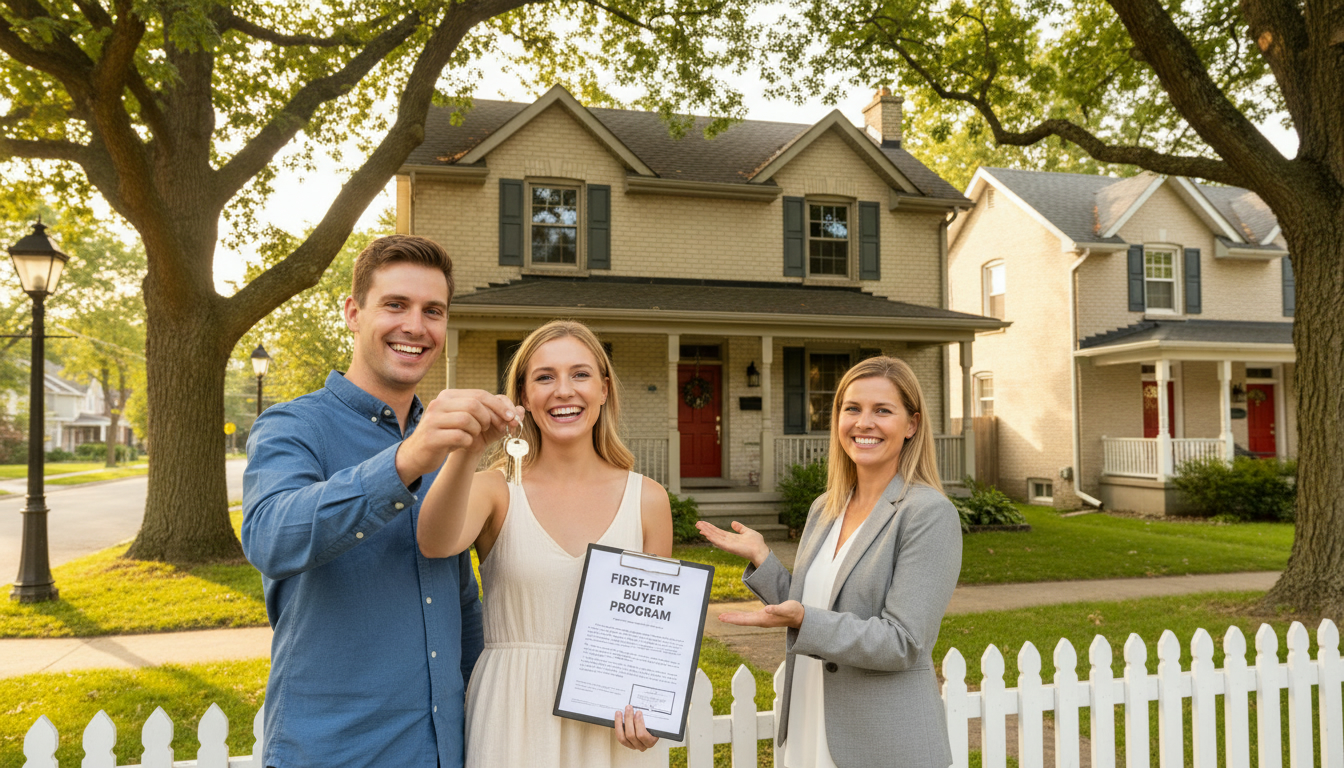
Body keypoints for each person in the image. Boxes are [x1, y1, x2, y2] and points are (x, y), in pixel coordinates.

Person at [242, 235, 517, 768]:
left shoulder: (443, 439)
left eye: (433, 311)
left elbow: (459, 595)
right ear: (353, 312)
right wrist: (405, 461)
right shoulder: (293, 425)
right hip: (333, 749)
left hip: (442, 747)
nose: (416, 326)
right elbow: (271, 537)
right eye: (396, 304)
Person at [416, 319, 673, 767]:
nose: (564, 390)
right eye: (544, 377)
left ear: (604, 389)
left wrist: (651, 717)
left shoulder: (648, 499)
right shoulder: (494, 488)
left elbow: (652, 641)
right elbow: (434, 542)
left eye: (580, 374)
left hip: (610, 724)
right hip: (513, 714)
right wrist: (468, 450)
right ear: (524, 398)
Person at [696, 356, 962, 768]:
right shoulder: (826, 507)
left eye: (882, 410)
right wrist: (762, 558)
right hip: (808, 723)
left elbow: (904, 642)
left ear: (911, 424)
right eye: (851, 408)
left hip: (880, 744)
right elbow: (813, 607)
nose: (863, 422)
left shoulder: (928, 513)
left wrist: (803, 617)